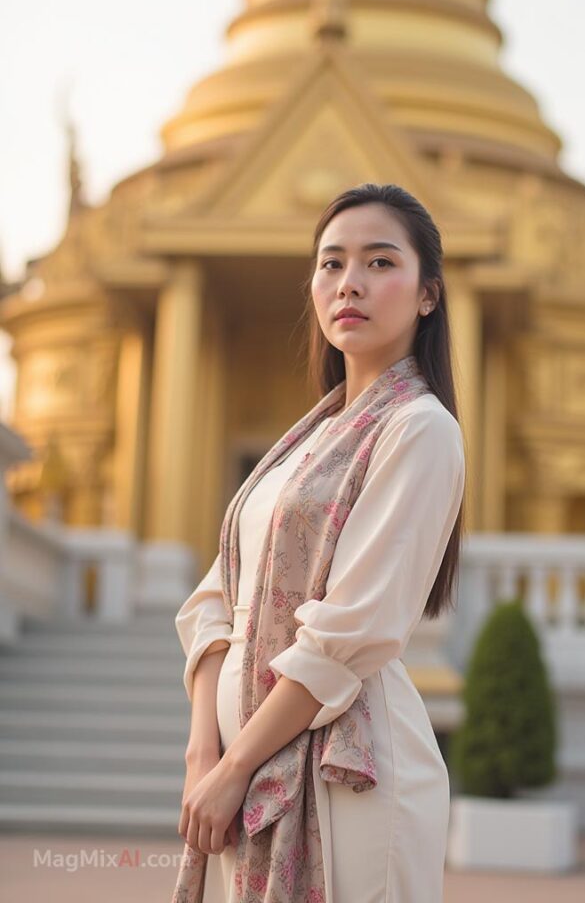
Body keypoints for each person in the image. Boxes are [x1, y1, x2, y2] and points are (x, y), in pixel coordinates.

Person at [174, 183, 466, 902]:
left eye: (378, 262)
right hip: (237, 771)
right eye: (331, 264)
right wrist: (202, 755)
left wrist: (237, 765)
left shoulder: (419, 428)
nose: (350, 283)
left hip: (346, 772)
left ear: (427, 295)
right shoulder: (308, 437)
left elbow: (352, 629)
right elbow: (216, 600)